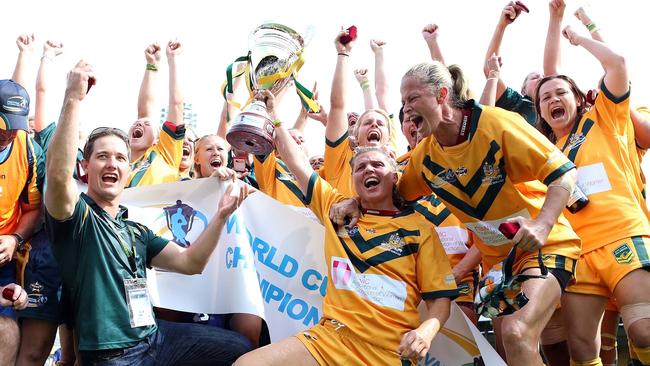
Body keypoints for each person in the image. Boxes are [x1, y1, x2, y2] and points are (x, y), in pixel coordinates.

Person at [44, 60, 252, 365]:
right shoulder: (77, 219)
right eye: (102, 157)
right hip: (111, 355)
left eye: (119, 158)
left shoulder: (135, 231)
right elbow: (58, 176)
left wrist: (222, 215)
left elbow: (190, 262)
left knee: (241, 346)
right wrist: (73, 98)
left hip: (156, 338)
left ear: (130, 169)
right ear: (85, 167)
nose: (112, 164)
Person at [235, 89, 458, 365]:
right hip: (329, 341)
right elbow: (297, 163)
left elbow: (440, 300)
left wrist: (426, 331)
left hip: (387, 352)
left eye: (377, 164)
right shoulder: (335, 208)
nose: (368, 170)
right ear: (352, 178)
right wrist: (275, 118)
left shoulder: (420, 228)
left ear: (394, 175)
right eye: (360, 167)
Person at [397, 61, 582, 364]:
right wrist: (351, 203)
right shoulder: (424, 156)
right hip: (498, 269)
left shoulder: (497, 123)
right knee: (510, 352)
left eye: (413, 98)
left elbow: (564, 174)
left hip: (546, 246)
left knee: (517, 332)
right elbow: (394, 199)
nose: (406, 108)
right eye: (403, 101)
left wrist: (542, 226)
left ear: (442, 94)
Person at [534, 25, 650, 366]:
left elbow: (617, 64)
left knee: (643, 330)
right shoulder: (543, 153)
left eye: (560, 93)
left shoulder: (604, 119)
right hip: (577, 255)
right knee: (584, 352)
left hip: (622, 235)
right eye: (545, 98)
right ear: (539, 111)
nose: (553, 100)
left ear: (579, 97)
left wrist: (578, 38)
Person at [0, 78, 45, 366]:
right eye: (4, 124)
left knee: (8, 331)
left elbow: (33, 209)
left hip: (3, 257)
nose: (9, 134)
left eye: (16, 126)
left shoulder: (28, 149)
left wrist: (14, 238)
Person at [323, 29, 394, 198]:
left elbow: (382, 95)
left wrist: (379, 54)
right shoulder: (341, 160)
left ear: (390, 137)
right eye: (368, 123)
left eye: (380, 123)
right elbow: (337, 106)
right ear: (355, 134)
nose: (375, 124)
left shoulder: (395, 156)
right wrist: (343, 54)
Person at [127, 40, 185, 187]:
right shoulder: (118, 165)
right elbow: (143, 111)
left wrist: (173, 60)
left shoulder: (166, 154)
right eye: (137, 123)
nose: (139, 123)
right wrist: (151, 63)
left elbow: (176, 105)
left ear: (158, 140)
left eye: (147, 124)